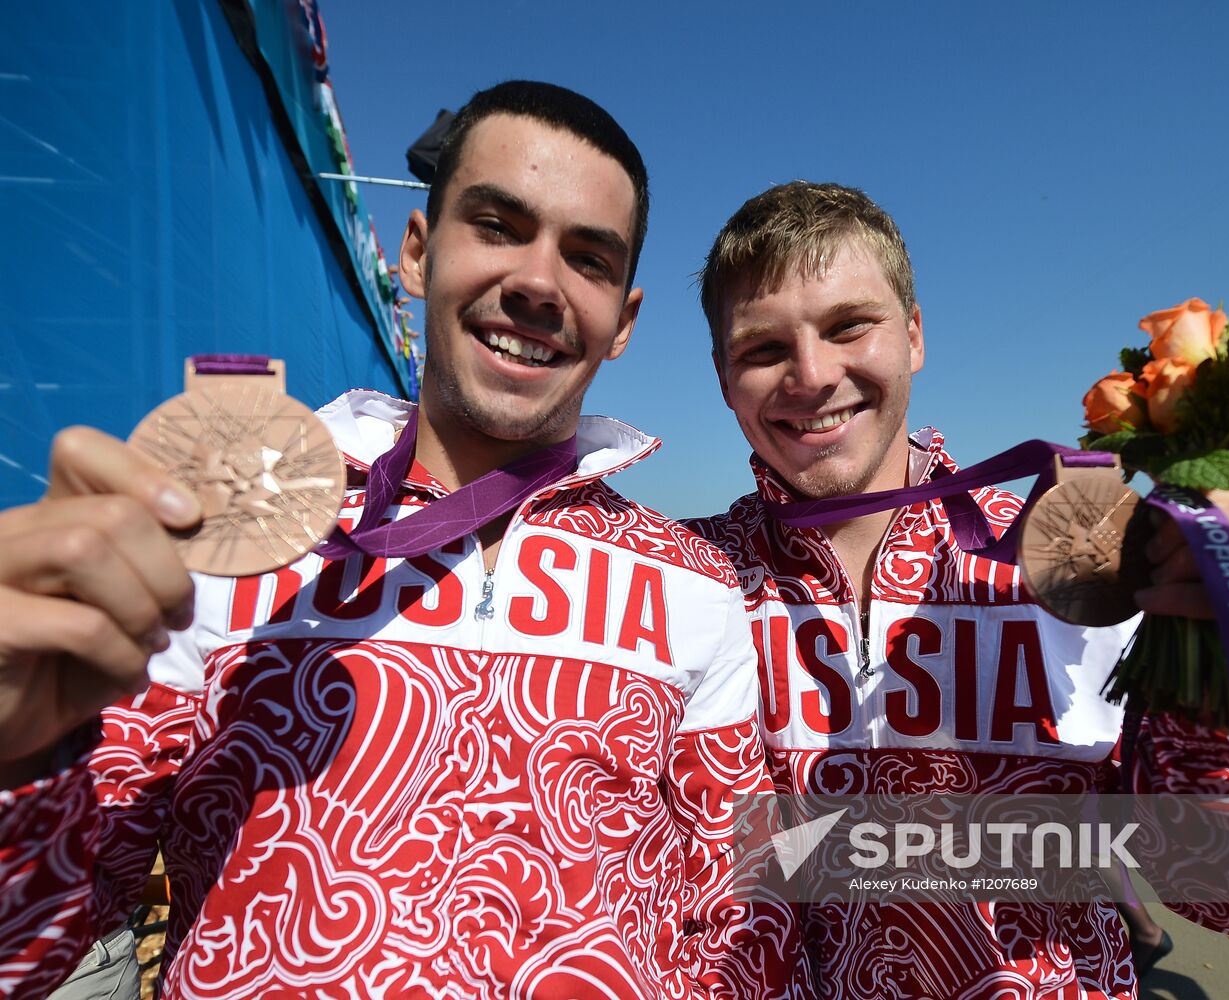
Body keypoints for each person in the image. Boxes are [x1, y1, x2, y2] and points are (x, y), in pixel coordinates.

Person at [0, 82, 793, 999]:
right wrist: (20, 761)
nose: (538, 282)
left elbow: (744, 906)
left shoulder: (691, 580)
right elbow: (51, 931)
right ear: (417, 252)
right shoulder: (232, 530)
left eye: (588, 258)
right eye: (497, 225)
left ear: (624, 320)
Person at [687, 180, 1229, 998]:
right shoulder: (686, 579)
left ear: (915, 334)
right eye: (761, 349)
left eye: (849, 325)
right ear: (723, 377)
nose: (812, 374)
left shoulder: (1079, 545)